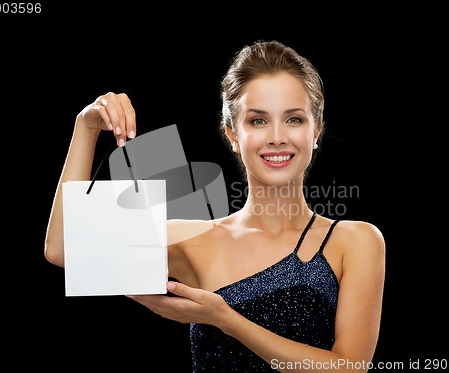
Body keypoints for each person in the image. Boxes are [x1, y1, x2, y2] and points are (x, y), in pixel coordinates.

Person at [45, 40, 385, 372]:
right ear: (233, 135)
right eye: (258, 120)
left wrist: (224, 319)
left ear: (316, 131)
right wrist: (86, 128)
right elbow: (63, 249)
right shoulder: (196, 239)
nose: (278, 136)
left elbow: (348, 367)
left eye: (294, 119)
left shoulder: (354, 241)